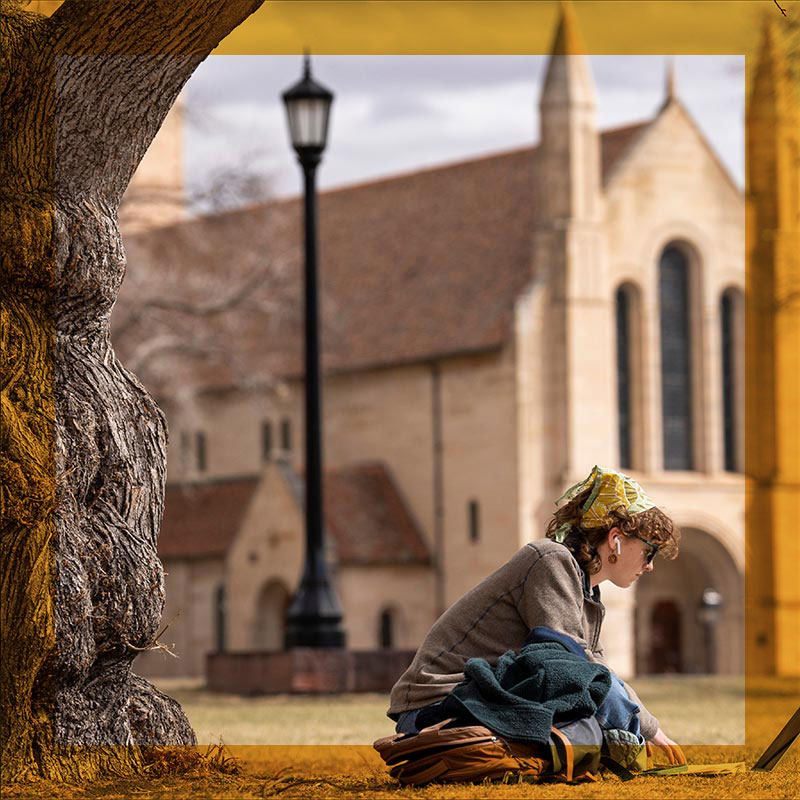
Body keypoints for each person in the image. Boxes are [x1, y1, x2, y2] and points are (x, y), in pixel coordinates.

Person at [387, 465, 687, 766]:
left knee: (588, 735)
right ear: (615, 538)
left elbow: (597, 674)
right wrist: (645, 728)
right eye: (650, 552)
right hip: (438, 705)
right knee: (583, 733)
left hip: (478, 699)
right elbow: (573, 668)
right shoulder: (551, 560)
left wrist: (644, 727)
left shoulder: (586, 593)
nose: (649, 566)